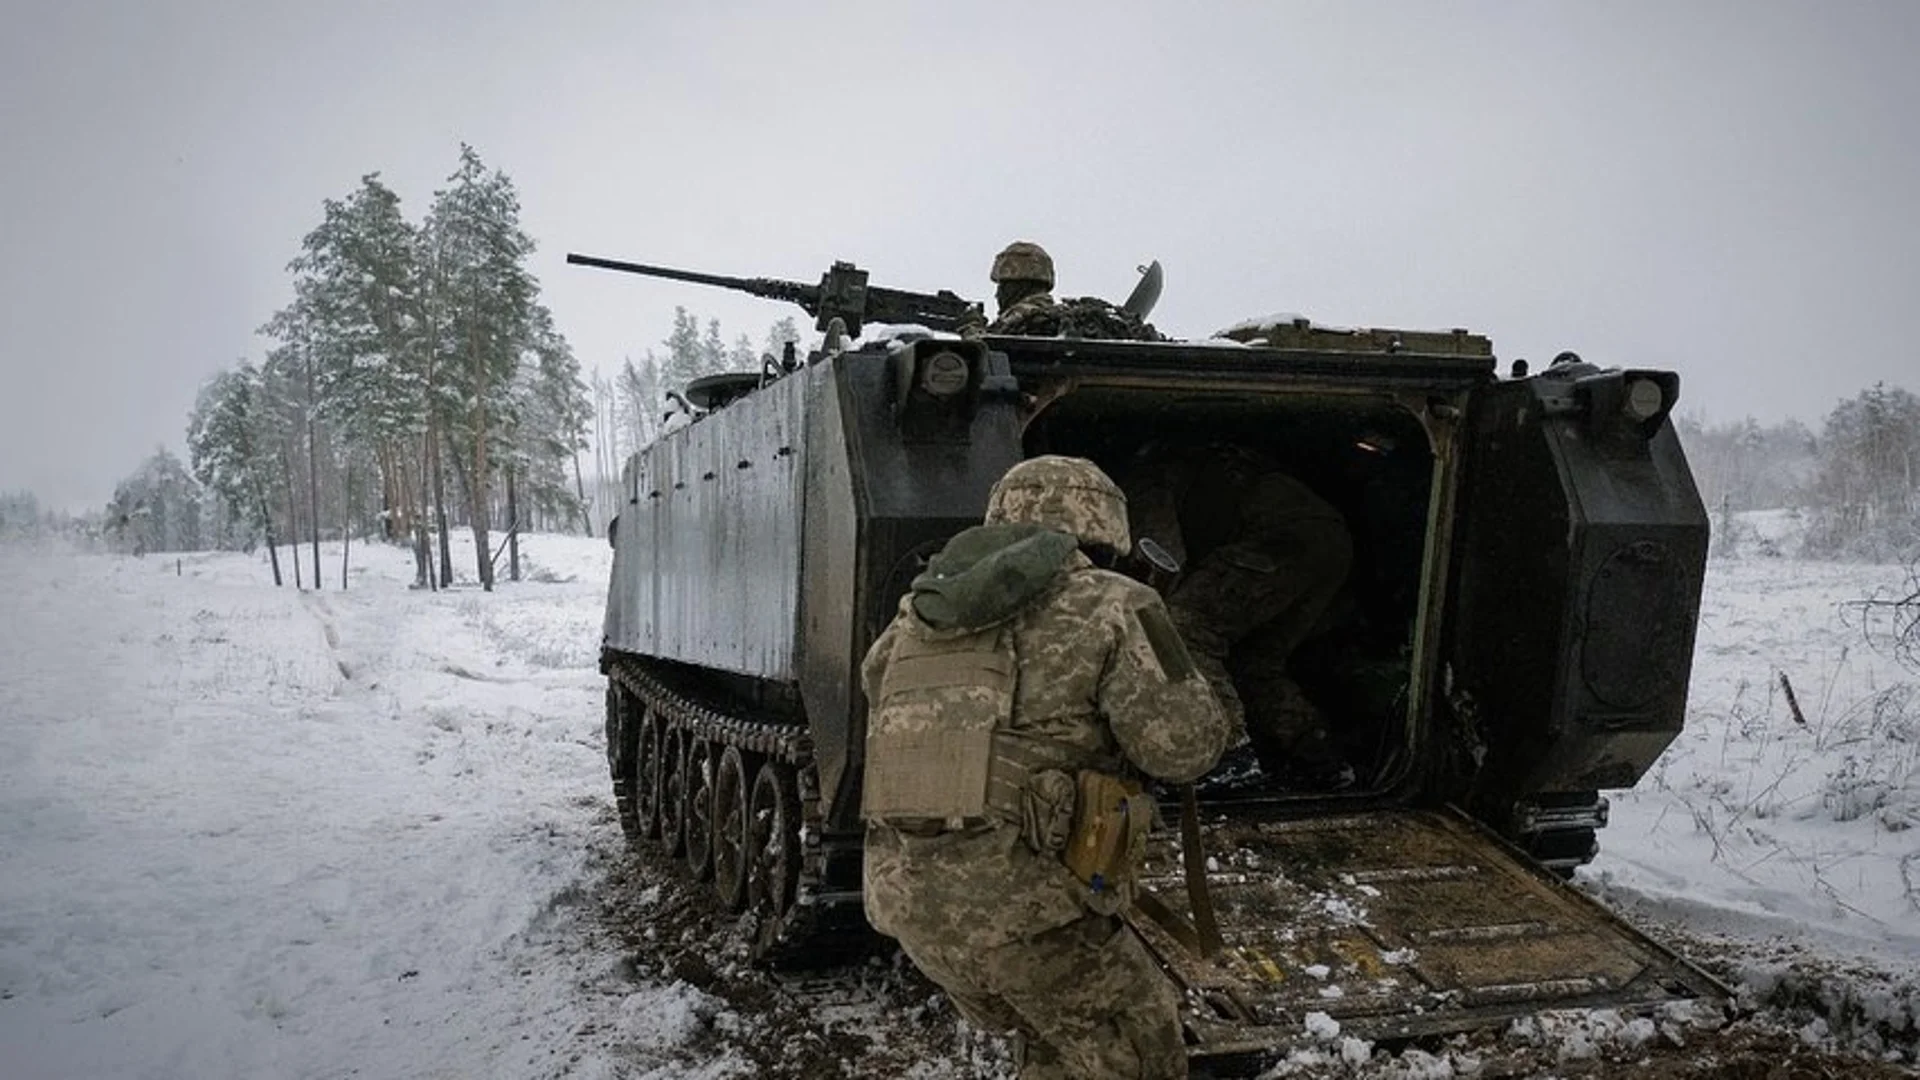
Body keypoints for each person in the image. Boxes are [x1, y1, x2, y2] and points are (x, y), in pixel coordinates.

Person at [861, 455, 1229, 1079]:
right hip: (1031, 919)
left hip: (913, 908)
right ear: (1103, 529)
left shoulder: (915, 617)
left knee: (1056, 1044)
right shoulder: (1117, 605)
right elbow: (1186, 749)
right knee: (1143, 1052)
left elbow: (882, 698)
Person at [1123, 441, 1356, 790]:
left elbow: (1164, 560)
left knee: (1180, 628)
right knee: (1254, 662)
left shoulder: (1144, 480)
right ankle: (1317, 756)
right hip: (1327, 540)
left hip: (1278, 539)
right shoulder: (1200, 466)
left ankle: (1229, 756)